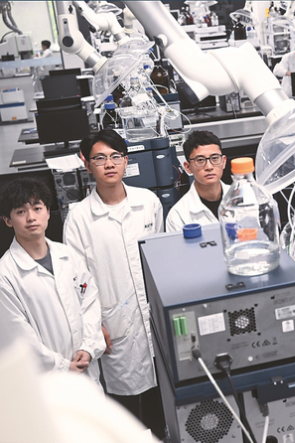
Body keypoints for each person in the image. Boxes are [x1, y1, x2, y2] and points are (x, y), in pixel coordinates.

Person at [63, 129, 165, 437]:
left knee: (165, 398)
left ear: (126, 161)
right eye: (100, 158)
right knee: (126, 409)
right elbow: (76, 281)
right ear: (87, 164)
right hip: (112, 324)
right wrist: (94, 324)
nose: (109, 164)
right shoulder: (79, 218)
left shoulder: (148, 202)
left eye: (115, 157)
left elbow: (161, 259)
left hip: (156, 317)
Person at [0, 178, 104, 382]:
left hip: (86, 368)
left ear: (48, 212)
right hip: (46, 380)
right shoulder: (5, 275)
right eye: (20, 212)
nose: (31, 217)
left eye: (37, 208)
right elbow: (17, 335)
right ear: (7, 220)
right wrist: (62, 366)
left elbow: (89, 301)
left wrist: (88, 347)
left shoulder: (68, 255)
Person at [166, 130, 230, 232]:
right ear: (188, 167)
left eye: (214, 158)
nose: (209, 167)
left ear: (223, 161)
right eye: (200, 160)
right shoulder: (178, 216)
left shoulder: (245, 198)